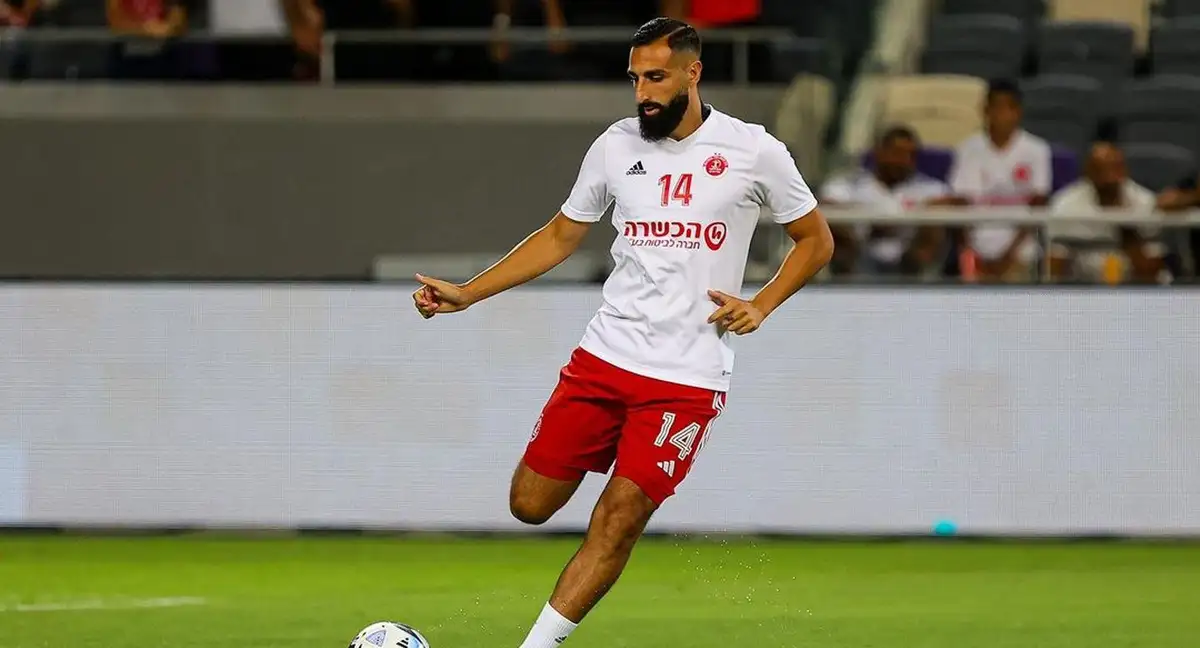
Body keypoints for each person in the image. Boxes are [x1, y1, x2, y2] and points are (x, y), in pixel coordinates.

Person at [412, 17, 833, 648]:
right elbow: (561, 235)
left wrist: (762, 303)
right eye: (636, 78)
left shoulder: (754, 150)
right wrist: (470, 293)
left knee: (619, 518)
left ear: (693, 72)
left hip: (685, 380)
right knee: (529, 504)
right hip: (604, 359)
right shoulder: (615, 146)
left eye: (656, 77)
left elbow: (815, 240)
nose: (643, 93)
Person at [820, 125, 961, 278]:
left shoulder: (930, 188)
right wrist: (868, 226)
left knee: (935, 226)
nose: (904, 161)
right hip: (858, 256)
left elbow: (954, 202)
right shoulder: (850, 184)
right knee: (832, 229)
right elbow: (827, 203)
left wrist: (905, 222)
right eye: (897, 153)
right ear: (879, 153)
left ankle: (914, 285)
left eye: (911, 155)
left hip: (910, 261)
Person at [949, 79, 1053, 283]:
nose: (1001, 114)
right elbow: (960, 206)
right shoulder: (967, 149)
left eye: (1007, 108)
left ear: (1018, 112)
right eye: (995, 107)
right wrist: (970, 251)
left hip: (1020, 249)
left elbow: (1038, 206)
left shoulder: (1036, 150)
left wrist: (1008, 256)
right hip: (977, 246)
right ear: (985, 110)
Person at [1049, 142, 1164, 284]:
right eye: (1100, 170)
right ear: (1087, 173)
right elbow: (1054, 270)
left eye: (1115, 168)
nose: (1109, 177)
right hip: (1083, 289)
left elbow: (1151, 274)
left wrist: (1126, 228)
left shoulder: (1145, 202)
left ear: (1125, 171)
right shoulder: (1065, 205)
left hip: (1136, 289)